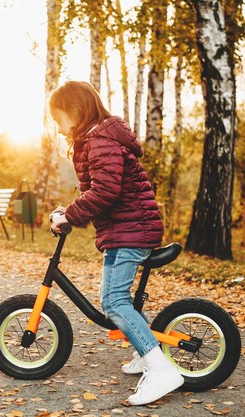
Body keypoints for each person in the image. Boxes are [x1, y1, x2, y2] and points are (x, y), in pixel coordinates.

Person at [47, 81, 184, 406]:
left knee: (113, 301)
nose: (58, 125)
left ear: (76, 111)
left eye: (60, 117)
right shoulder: (97, 140)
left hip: (130, 230)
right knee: (120, 300)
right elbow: (97, 187)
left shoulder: (100, 141)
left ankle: (160, 369)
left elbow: (106, 191)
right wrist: (69, 209)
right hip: (128, 228)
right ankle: (145, 349)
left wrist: (71, 216)